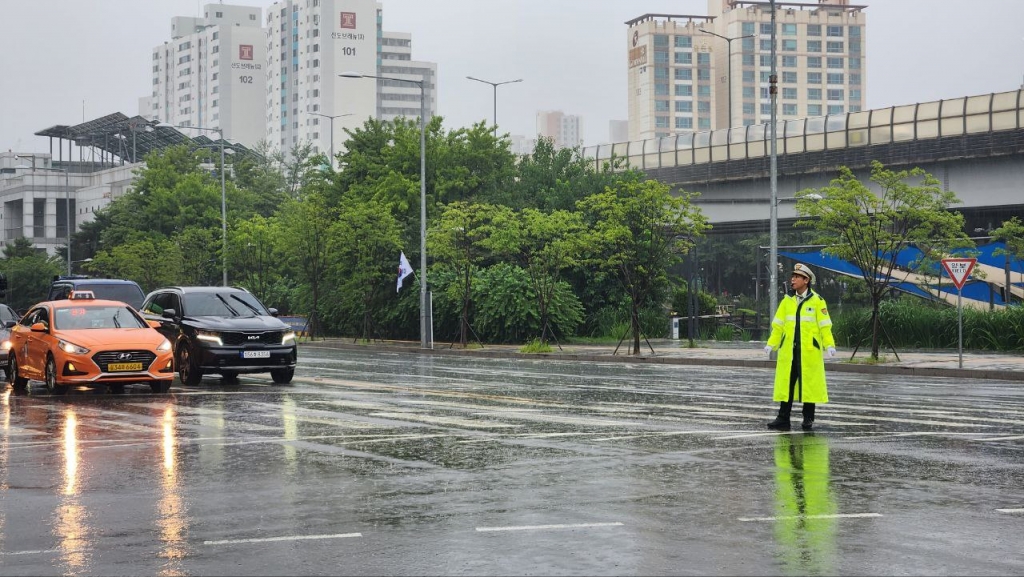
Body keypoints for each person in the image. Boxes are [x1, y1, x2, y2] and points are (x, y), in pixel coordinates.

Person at [763, 263, 836, 431]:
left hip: (809, 352)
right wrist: (771, 344)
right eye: (793, 276)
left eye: (796, 277)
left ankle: (808, 418)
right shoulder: (787, 301)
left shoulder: (818, 301)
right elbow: (778, 326)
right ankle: (783, 418)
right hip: (789, 351)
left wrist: (829, 345)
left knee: (808, 384)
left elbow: (825, 326)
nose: (792, 279)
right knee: (786, 384)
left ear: (806, 280)